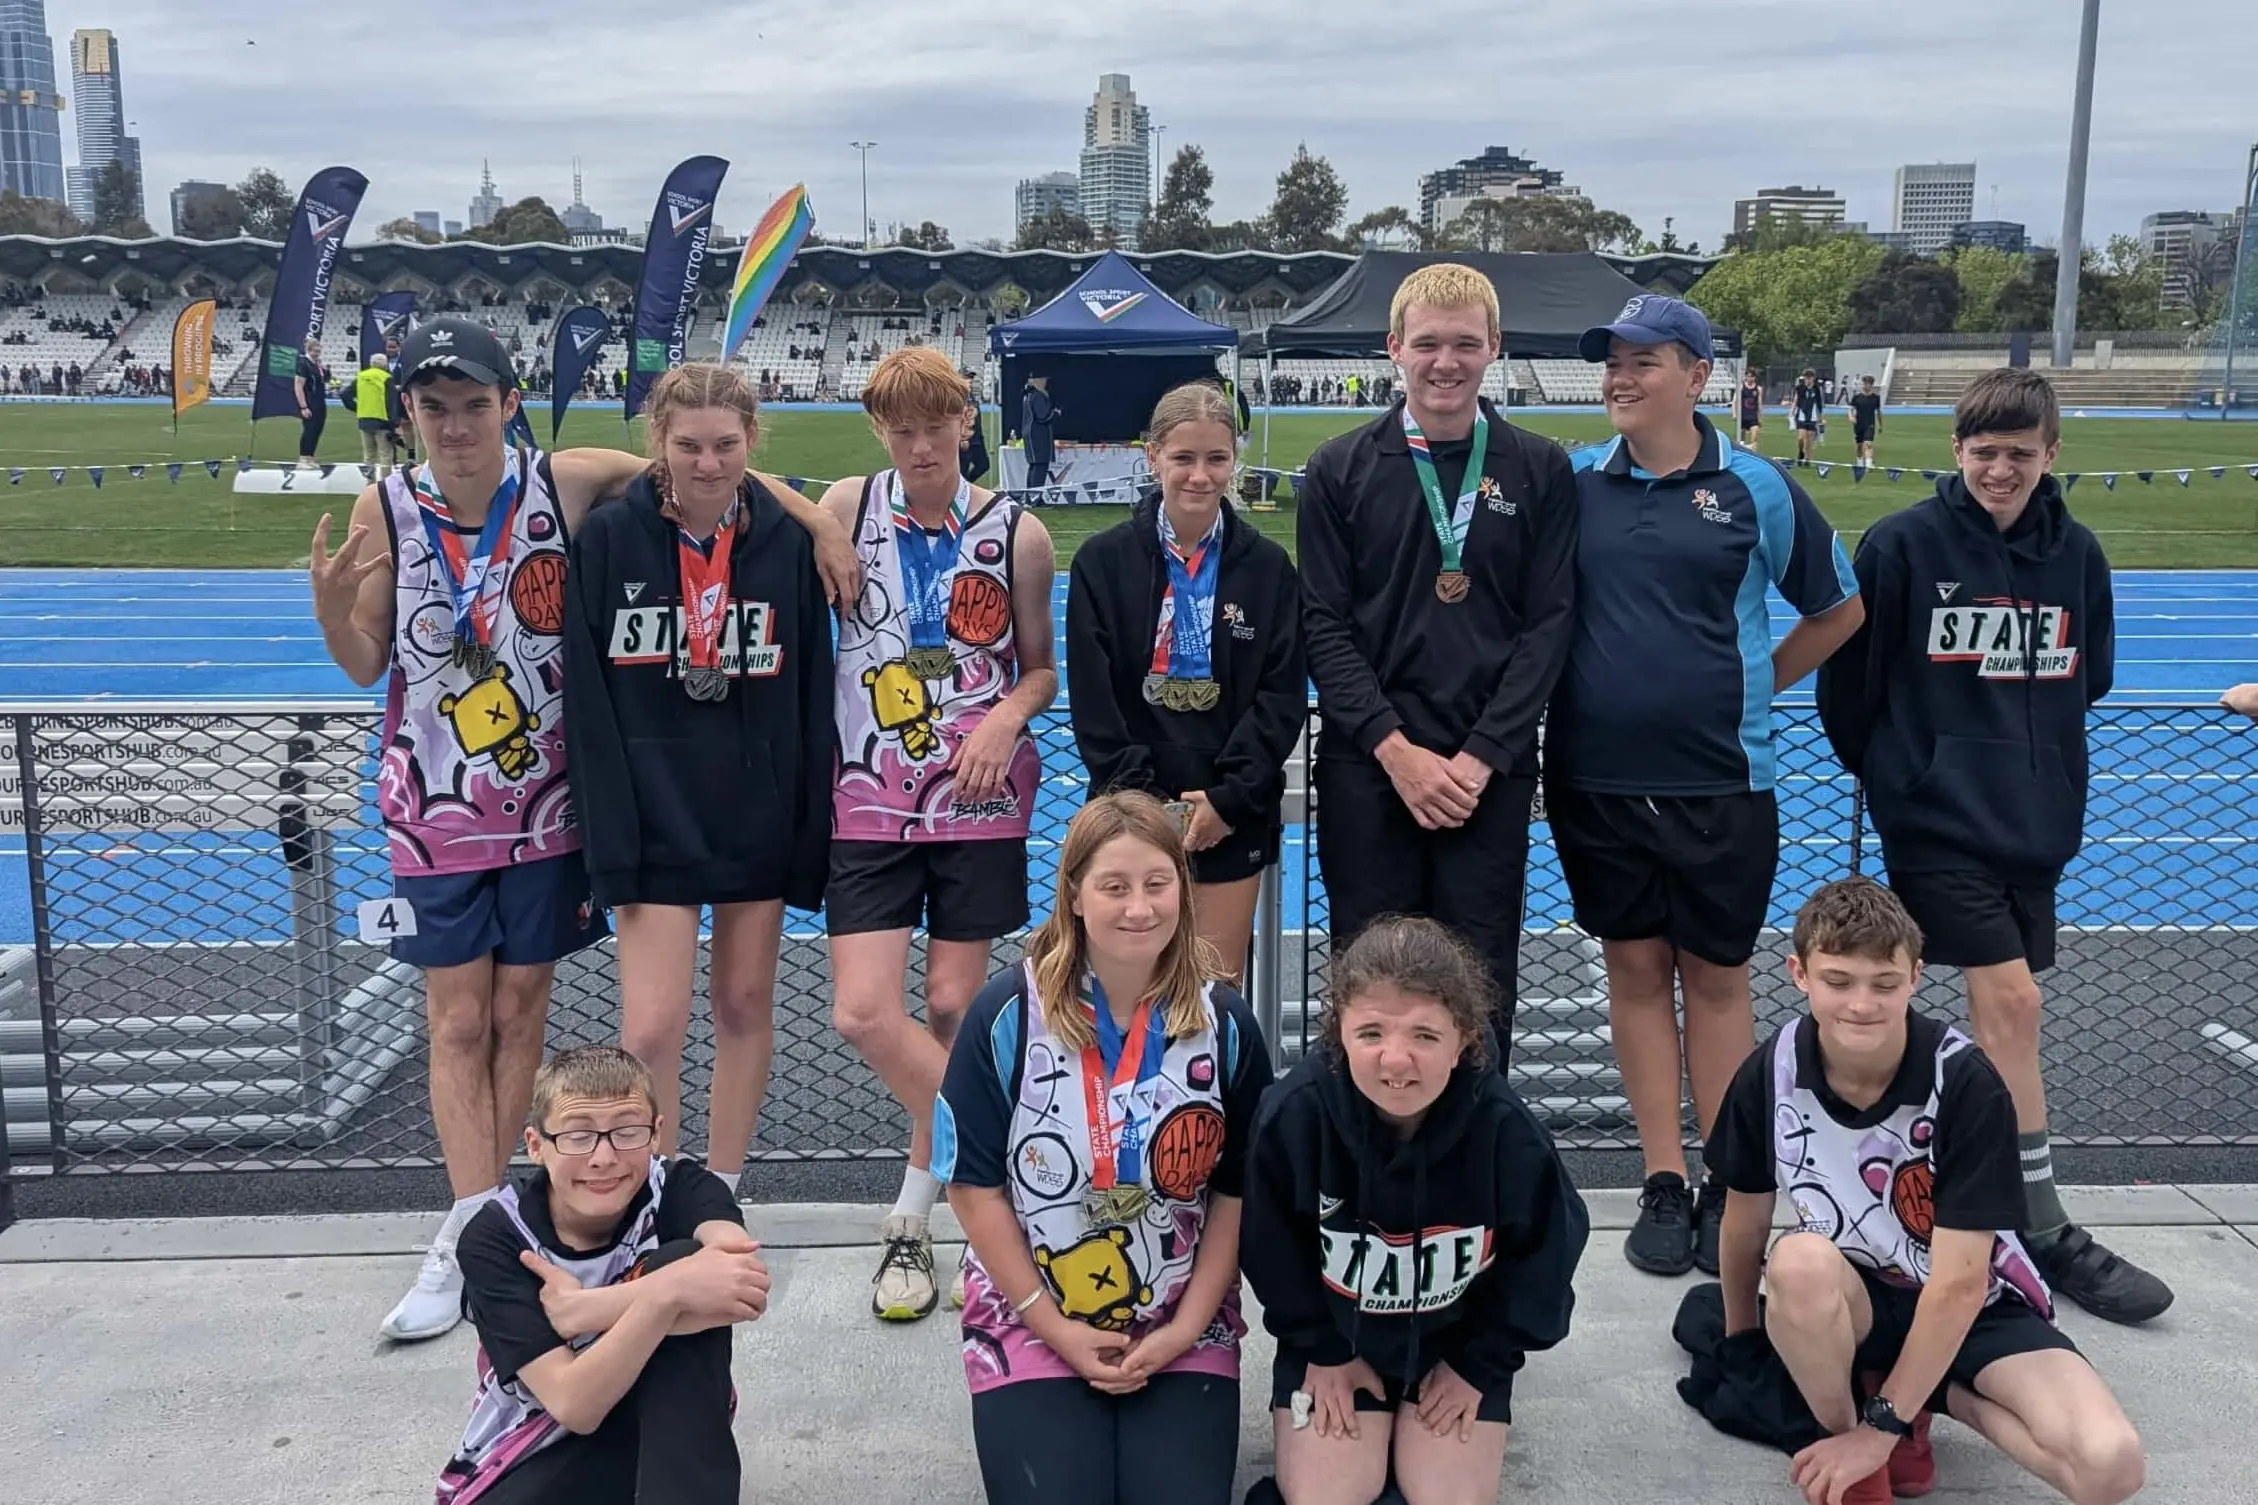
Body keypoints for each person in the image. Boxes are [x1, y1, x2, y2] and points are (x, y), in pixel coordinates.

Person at [307, 316, 850, 1344]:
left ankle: (546, 1209)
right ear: (411, 414)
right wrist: (330, 611)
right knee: (459, 1024)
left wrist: (818, 522)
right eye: (434, 406)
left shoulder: (557, 482)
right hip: (435, 803)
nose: (455, 422)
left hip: (546, 805)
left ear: (509, 403)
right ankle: (467, 1233)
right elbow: (362, 659)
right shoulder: (382, 506)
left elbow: (718, 468)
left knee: (520, 1017)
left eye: (473, 402)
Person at [1816, 368, 2171, 1325]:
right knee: (2012, 1001)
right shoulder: (1900, 545)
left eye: (2019, 453)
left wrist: (2033, 768)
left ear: (2052, 454)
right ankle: (2043, 1226)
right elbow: (1849, 689)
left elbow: (2085, 676)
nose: (2000, 469)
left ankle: (1929, 1183)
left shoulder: (2079, 556)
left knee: (1986, 1015)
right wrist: (1909, 773)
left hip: (2036, 822)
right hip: (1935, 819)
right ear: (1957, 452)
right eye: (1983, 453)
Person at [1554, 298, 1863, 1283]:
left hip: (1719, 779)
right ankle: (1659, 1176)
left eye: (1641, 361)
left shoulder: (1754, 486)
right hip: (1595, 779)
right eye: (1611, 363)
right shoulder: (1571, 484)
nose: (1619, 378)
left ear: (1696, 375)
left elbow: (1837, 608)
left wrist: (1752, 682)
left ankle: (1730, 1178)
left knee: (1717, 978)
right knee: (1633, 973)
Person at [1707, 878, 2145, 1505]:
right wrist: (1741, 1339)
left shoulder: (1965, 1081)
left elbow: (1960, 1283)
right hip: (1852, 1297)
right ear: (1799, 974)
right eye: (1839, 982)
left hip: (1970, 1304)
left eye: (1884, 984)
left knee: (2111, 1467)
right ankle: (1847, 1440)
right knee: (1797, 1260)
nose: (1862, 1004)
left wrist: (1887, 1422)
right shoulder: (1772, 1069)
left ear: (1915, 975)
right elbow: (1744, 1219)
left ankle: (1910, 1407)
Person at [935, 791, 1274, 1505]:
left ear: (1182, 889)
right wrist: (1053, 1324)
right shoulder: (1005, 1014)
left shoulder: (1226, 1020)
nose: (1138, 907)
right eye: (1114, 887)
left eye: (1157, 884)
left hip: (1183, 1316)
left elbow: (1238, 1191)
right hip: (1029, 1312)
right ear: (1075, 896)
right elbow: (971, 1185)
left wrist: (1186, 1326)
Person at [819, 345, 1057, 1321]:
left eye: (936, 425)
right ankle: (1014, 1162)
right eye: (900, 428)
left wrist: (1005, 716)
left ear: (967, 422)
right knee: (865, 1012)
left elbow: (1038, 669)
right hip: (868, 803)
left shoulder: (1018, 532)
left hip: (976, 802)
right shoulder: (843, 508)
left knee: (956, 1008)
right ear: (879, 431)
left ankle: (913, 1215)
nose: (919, 445)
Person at [561, 362, 835, 1188]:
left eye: (725, 444)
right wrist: (609, 831)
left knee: (746, 1008)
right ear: (658, 442)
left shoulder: (789, 541)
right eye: (688, 445)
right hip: (653, 814)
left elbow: (812, 686)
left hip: (756, 810)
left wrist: (803, 824)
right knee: (651, 1027)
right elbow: (586, 694)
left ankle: (721, 1187)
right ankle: (660, 1189)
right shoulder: (609, 537)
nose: (707, 463)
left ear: (752, 441)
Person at [1298, 263, 1579, 1063]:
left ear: (1495, 347)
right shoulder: (1338, 469)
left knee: (1480, 977)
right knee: (1368, 973)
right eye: (1427, 343)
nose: (1445, 361)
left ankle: (1474, 1164)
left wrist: (1482, 757)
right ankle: (1366, 1162)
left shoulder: (1539, 468)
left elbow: (1550, 624)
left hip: (1485, 775)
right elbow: (1324, 625)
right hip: (1369, 769)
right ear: (1395, 348)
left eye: (1464, 342)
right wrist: (1396, 751)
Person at [1239, 915, 1589, 1505]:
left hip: (1455, 1346)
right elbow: (1269, 1248)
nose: (1396, 1061)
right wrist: (1321, 1348)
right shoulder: (1294, 1116)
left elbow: (1547, 1255)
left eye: (1425, 1036)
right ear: (1338, 1033)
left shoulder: (1508, 1133)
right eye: (1371, 1033)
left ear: (1465, 1040)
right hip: (1337, 1340)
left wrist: (1480, 1364)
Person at [437, 1046, 771, 1505]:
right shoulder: (497, 1237)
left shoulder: (679, 1188)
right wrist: (668, 1295)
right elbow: (575, 1405)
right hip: (536, 1440)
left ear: (655, 1134)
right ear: (536, 1145)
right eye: (578, 1137)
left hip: (666, 1420)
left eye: (627, 1132)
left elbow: (744, 1282)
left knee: (679, 1257)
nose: (604, 1157)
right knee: (681, 1271)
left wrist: (586, 1310)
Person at [1067, 382, 1304, 980]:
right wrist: (1146, 806)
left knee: (1212, 996)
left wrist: (1228, 799)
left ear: (1234, 459)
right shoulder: (1102, 563)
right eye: (1183, 458)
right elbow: (1096, 706)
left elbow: (1280, 698)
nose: (1200, 476)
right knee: (1128, 995)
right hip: (1129, 817)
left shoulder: (1269, 568)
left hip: (1230, 813)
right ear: (1152, 457)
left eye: (1217, 458)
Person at [356, 352, 399, 479]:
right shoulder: (386, 377)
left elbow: (345, 394)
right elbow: (391, 402)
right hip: (382, 420)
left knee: (369, 455)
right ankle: (386, 483)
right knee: (385, 454)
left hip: (364, 418)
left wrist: (358, 407)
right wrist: (394, 422)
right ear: (384, 364)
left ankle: (370, 483)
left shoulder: (361, 376)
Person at [296, 335, 330, 466]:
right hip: (310, 402)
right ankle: (303, 458)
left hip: (320, 401)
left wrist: (325, 371)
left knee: (317, 430)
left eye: (318, 351)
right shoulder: (303, 363)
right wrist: (303, 406)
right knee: (309, 430)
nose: (317, 354)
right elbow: (298, 385)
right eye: (314, 351)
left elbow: (324, 380)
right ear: (308, 350)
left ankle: (310, 457)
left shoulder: (317, 364)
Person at [1022, 373, 1057, 496]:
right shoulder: (1038, 395)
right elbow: (1043, 416)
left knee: (1034, 466)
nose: (1046, 383)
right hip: (1038, 436)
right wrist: (1056, 413)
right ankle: (1035, 498)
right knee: (1040, 466)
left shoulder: (1028, 395)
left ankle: (1031, 497)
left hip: (1030, 433)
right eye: (1044, 380)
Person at [1789, 369, 1823, 464]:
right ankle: (1800, 452)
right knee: (1801, 438)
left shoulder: (1816, 388)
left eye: (1810, 377)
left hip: (1812, 416)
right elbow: (1795, 401)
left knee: (1809, 438)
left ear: (1813, 378)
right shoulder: (1799, 388)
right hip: (1802, 415)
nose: (1807, 380)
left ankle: (1807, 458)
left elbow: (1819, 403)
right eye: (1806, 377)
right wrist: (1791, 412)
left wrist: (1821, 417)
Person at [1850, 375, 1883, 468]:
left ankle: (1869, 463)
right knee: (1859, 445)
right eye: (1864, 383)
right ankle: (1859, 462)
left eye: (1869, 384)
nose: (1866, 386)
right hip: (1859, 424)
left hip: (1870, 424)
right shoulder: (1857, 397)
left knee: (1868, 443)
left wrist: (1880, 425)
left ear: (1871, 385)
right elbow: (1851, 409)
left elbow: (1879, 412)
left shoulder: (1876, 398)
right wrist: (1851, 417)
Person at [959, 395, 990, 484]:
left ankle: (966, 484)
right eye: (967, 380)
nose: (970, 381)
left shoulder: (972, 398)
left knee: (983, 465)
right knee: (963, 468)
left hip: (977, 440)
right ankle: (962, 488)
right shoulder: (957, 398)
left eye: (971, 380)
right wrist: (960, 439)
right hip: (965, 440)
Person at [1737, 369, 1764, 448]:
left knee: (1754, 438)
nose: (1749, 378)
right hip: (1743, 416)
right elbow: (1736, 400)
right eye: (1748, 376)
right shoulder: (1742, 387)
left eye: (1751, 376)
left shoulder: (1758, 389)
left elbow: (1759, 403)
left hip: (1753, 417)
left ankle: (1753, 454)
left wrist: (1760, 417)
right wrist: (1735, 414)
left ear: (1754, 377)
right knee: (1741, 441)